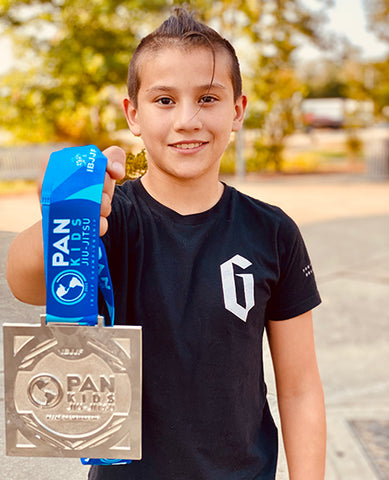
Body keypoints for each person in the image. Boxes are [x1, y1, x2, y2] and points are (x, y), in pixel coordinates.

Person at [7, 7, 326, 480]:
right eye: (164, 101)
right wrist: (68, 210)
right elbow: (23, 280)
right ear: (133, 114)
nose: (187, 120)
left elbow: (299, 389)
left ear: (237, 110)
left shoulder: (273, 231)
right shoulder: (108, 219)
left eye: (208, 98)